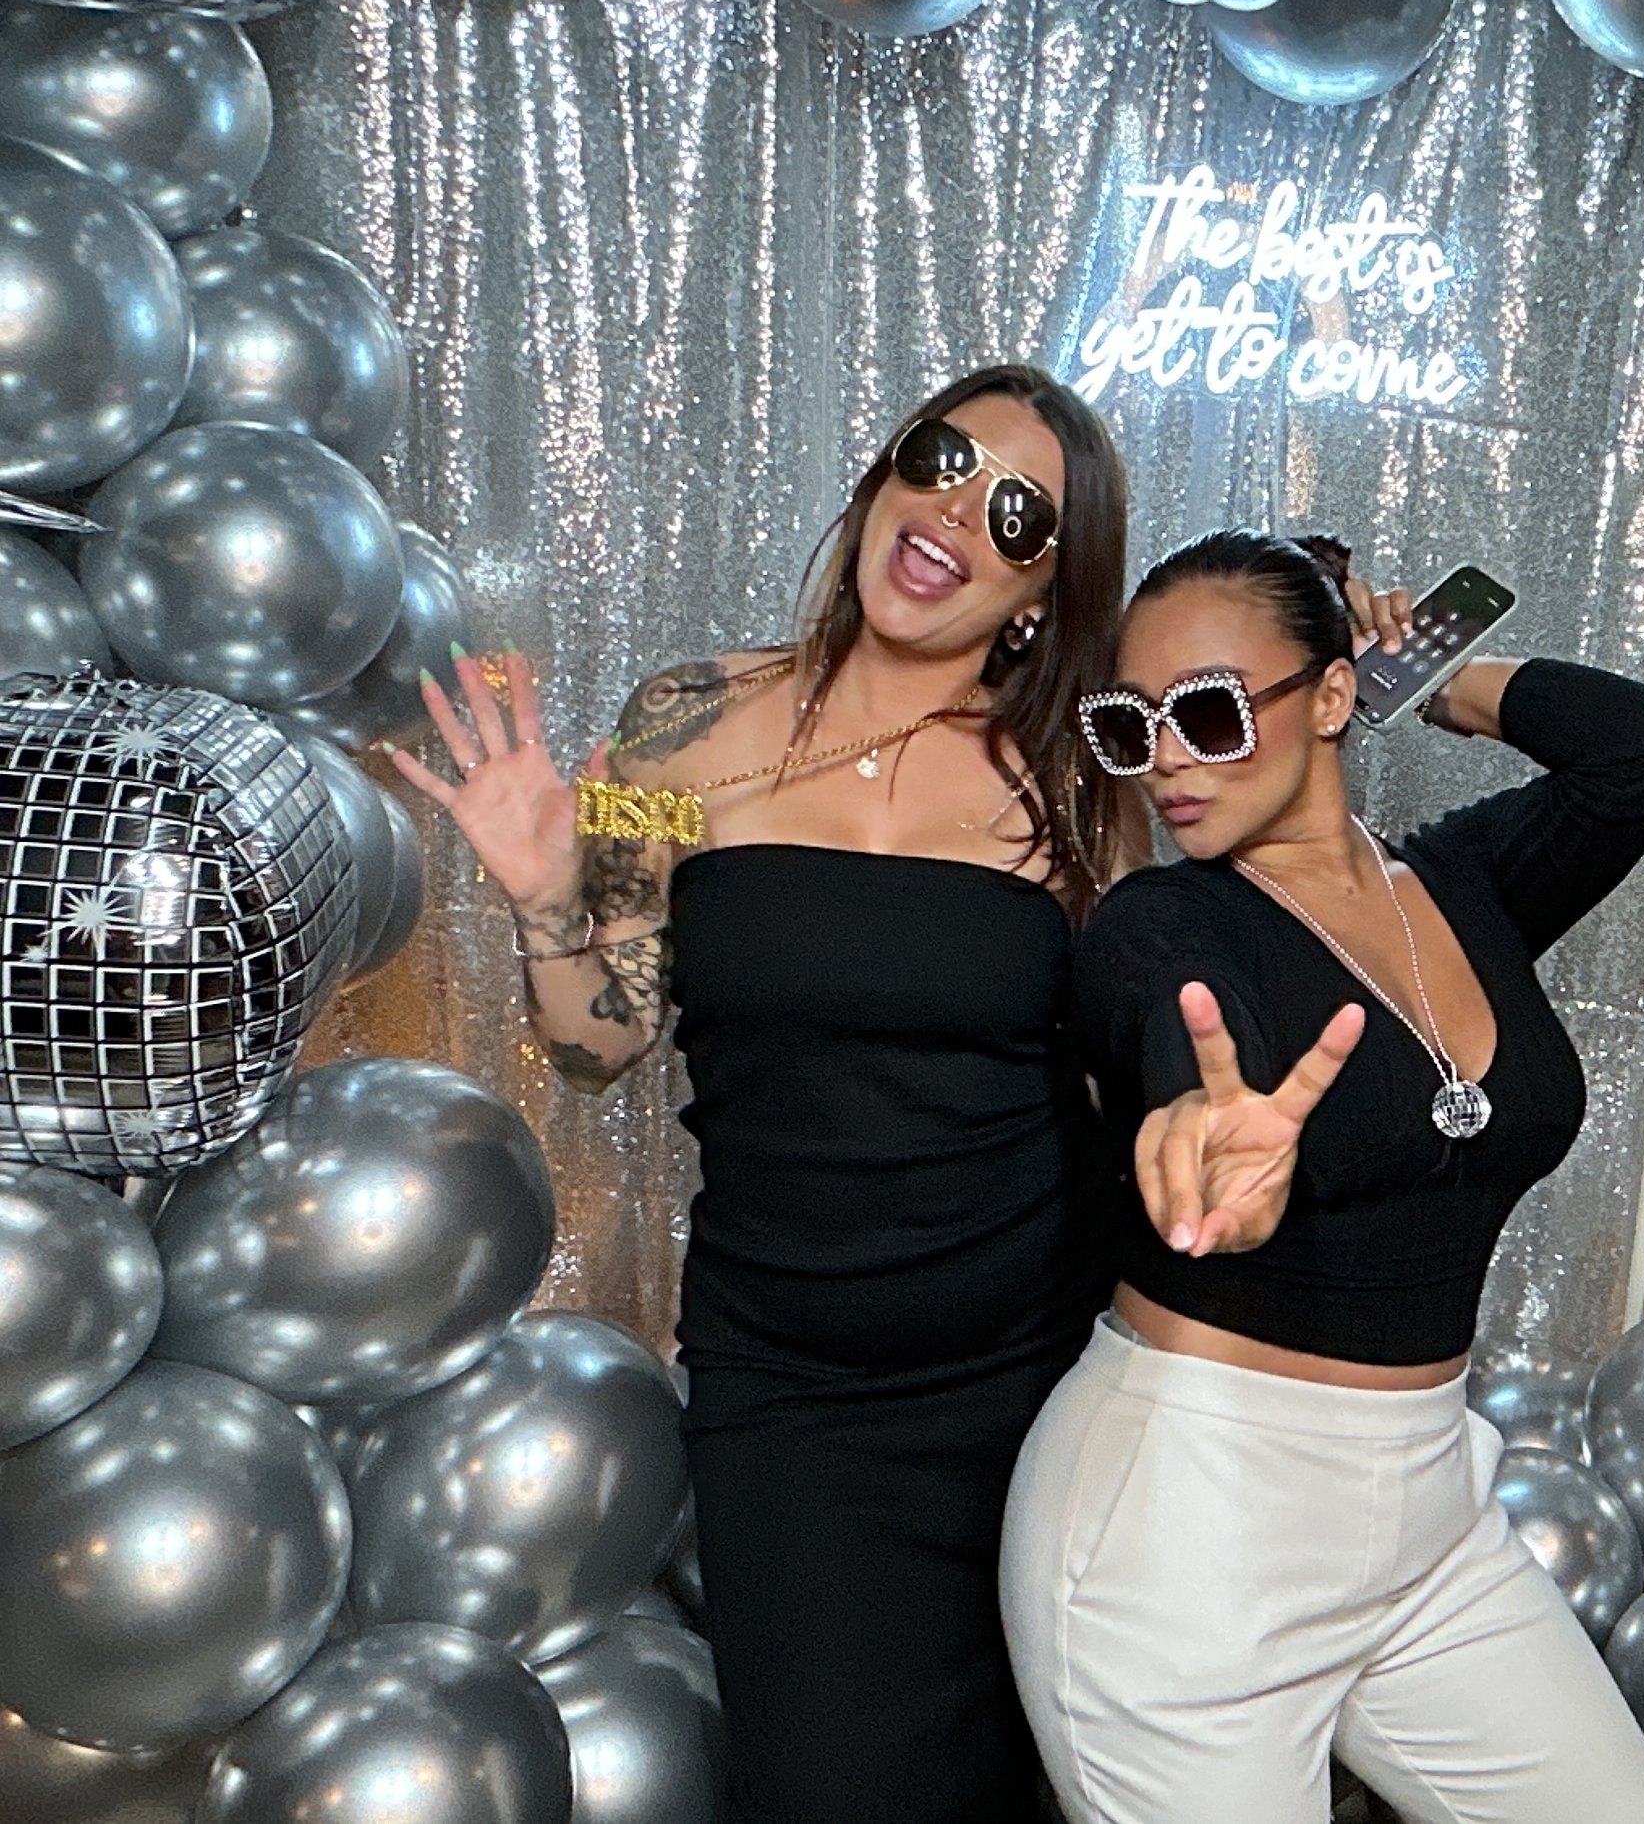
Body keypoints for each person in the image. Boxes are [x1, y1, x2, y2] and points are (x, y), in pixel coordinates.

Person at [389, 363, 1132, 1824]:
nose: (956, 515)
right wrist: (548, 897)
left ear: (1044, 590)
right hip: (790, 1386)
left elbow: (1162, 1030)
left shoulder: (1075, 775)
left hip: (1044, 1384)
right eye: (940, 458)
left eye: (1020, 515)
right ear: (881, 477)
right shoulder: (683, 725)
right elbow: (607, 1038)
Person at [1000, 529, 1644, 1824]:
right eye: (1129, 725)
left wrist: (1433, 675)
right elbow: (1180, 1044)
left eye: (1208, 712)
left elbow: (1642, 745)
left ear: (1333, 698)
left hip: (1432, 1510)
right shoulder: (1164, 925)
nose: (1167, 760)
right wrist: (1208, 1159)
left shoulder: (1465, 884)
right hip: (1188, 1531)